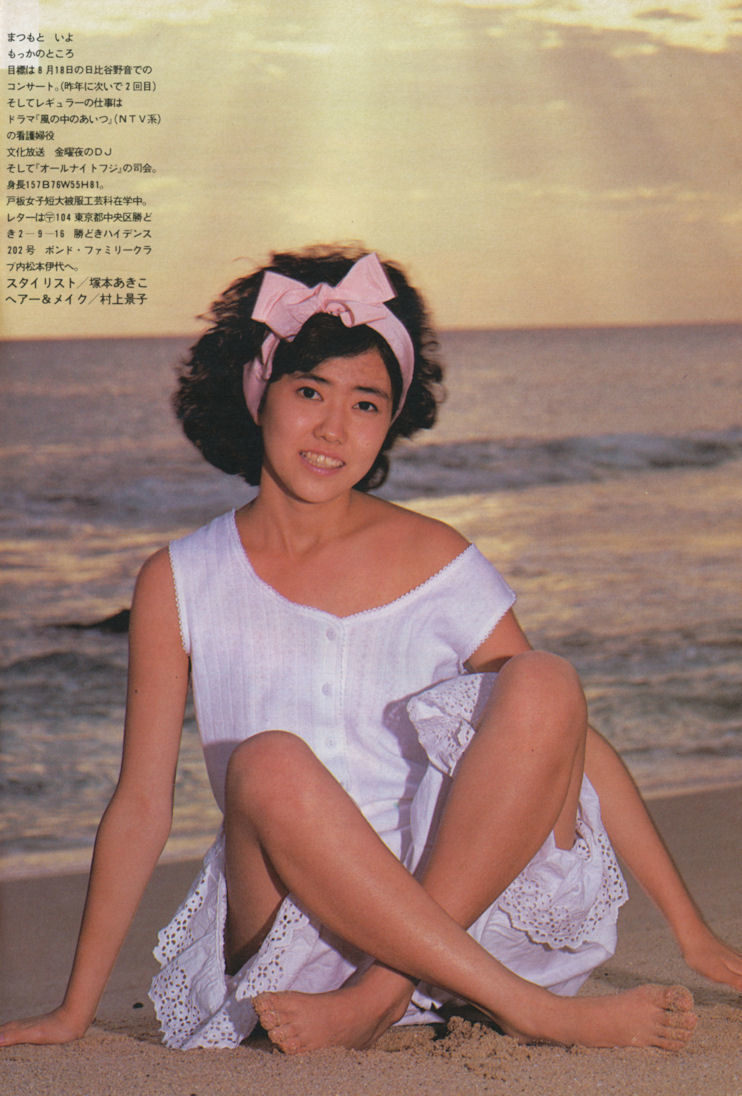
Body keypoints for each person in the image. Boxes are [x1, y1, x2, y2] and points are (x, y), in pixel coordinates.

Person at [1, 246, 740, 1056]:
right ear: (257, 393)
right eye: (308, 392)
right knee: (267, 762)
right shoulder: (179, 579)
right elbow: (142, 805)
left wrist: (691, 928)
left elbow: (566, 742)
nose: (332, 428)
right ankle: (531, 1011)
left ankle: (382, 995)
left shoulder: (441, 559)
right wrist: (73, 1010)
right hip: (294, 925)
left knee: (544, 680)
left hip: (468, 905)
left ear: (391, 420)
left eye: (365, 403)